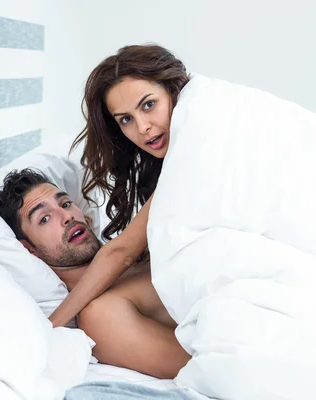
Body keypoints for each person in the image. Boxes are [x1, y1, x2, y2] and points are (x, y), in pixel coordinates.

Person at [0, 168, 189, 379]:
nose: (66, 216)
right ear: (30, 250)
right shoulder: (100, 315)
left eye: (66, 204)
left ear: (86, 217)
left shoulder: (145, 245)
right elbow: (204, 366)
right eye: (44, 219)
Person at [48, 44, 189, 329]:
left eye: (149, 105)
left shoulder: (196, 153)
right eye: (126, 119)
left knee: (99, 315)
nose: (143, 127)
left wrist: (49, 327)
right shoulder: (171, 162)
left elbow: (121, 252)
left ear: (173, 92)